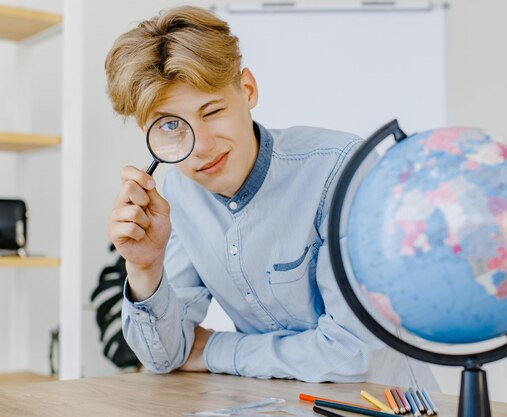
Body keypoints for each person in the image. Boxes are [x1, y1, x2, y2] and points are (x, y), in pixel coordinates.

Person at [106, 5, 437, 388]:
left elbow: (355, 355)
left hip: (384, 406)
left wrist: (213, 350)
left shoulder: (341, 169)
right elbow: (166, 355)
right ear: (148, 131)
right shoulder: (180, 192)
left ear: (247, 91)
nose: (201, 147)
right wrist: (145, 267)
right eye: (170, 125)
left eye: (212, 111)